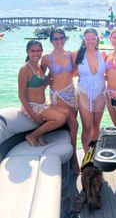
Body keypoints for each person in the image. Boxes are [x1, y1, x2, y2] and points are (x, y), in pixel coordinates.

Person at [41, 28, 79, 171]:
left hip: (71, 92)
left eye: (61, 38)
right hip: (58, 95)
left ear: (65, 38)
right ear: (51, 41)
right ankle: (74, 157)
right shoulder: (46, 58)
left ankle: (68, 155)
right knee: (74, 125)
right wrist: (48, 82)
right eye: (55, 39)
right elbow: (40, 77)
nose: (59, 41)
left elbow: (74, 72)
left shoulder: (71, 55)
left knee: (71, 127)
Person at [18, 40, 69, 146]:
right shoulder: (25, 69)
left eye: (38, 51)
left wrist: (52, 72)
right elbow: (21, 95)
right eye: (33, 51)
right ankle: (33, 135)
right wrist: (33, 115)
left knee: (66, 112)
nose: (36, 54)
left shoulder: (38, 67)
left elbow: (41, 87)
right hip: (33, 107)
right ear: (28, 52)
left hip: (43, 105)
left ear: (42, 51)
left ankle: (40, 133)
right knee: (61, 118)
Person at [75, 28, 106, 152]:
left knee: (96, 126)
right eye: (87, 38)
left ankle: (94, 153)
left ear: (97, 39)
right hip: (83, 93)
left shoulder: (103, 54)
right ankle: (86, 155)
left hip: (100, 93)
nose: (90, 41)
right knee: (87, 127)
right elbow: (70, 72)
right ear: (84, 39)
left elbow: (111, 73)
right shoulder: (77, 54)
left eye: (93, 38)